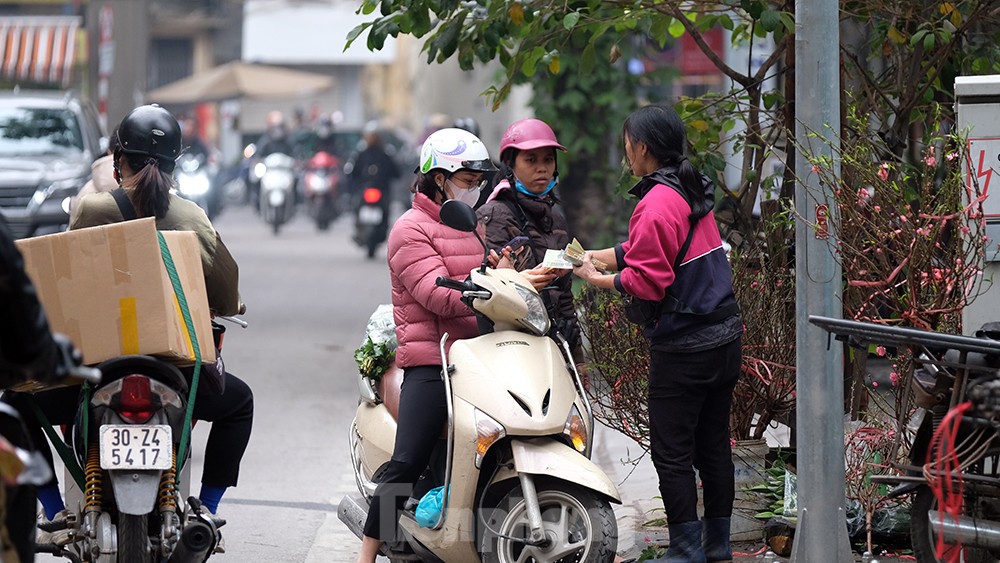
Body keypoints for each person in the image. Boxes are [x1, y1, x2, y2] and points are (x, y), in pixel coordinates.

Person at [3, 105, 254, 542]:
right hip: (176, 370)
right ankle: (208, 510)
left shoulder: (91, 208)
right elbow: (226, 294)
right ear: (175, 163)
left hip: (99, 366)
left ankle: (55, 510)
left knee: (14, 404)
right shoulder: (194, 218)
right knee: (240, 403)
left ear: (119, 159)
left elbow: (67, 281)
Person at [356, 127, 553, 562]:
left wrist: (504, 272)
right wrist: (490, 285)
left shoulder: (467, 224)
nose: (474, 189)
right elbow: (434, 293)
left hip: (478, 354)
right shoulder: (409, 230)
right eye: (466, 180)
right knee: (407, 462)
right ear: (438, 178)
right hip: (432, 358)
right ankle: (366, 555)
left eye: (478, 181)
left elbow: (479, 277)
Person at [572, 104, 742, 563]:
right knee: (713, 447)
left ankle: (686, 550)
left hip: (686, 347)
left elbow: (648, 281)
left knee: (672, 452)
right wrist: (599, 255)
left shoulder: (654, 202)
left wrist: (596, 279)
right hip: (725, 337)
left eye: (628, 144)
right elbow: (656, 249)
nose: (626, 152)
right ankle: (717, 547)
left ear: (642, 147)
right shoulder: (686, 186)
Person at [476, 118, 583, 365]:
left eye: (548, 160)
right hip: (512, 348)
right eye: (531, 160)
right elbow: (491, 292)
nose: (542, 168)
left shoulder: (555, 218)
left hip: (555, 344)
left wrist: (577, 357)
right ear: (510, 165)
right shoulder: (495, 214)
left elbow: (564, 293)